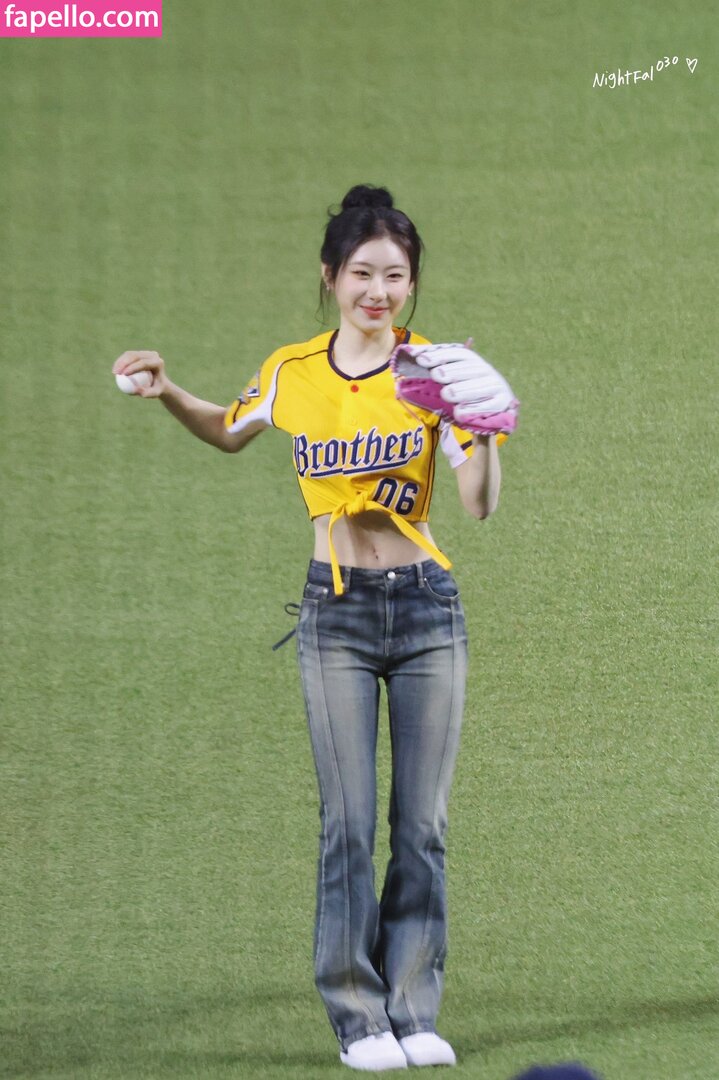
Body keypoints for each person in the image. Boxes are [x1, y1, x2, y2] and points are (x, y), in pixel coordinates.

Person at [112, 184, 513, 1071]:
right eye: (362, 273)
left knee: (422, 825)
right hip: (335, 615)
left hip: (428, 610)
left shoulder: (434, 372)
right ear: (329, 276)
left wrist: (482, 430)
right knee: (348, 825)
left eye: (395, 276)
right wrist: (167, 389)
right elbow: (229, 430)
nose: (379, 291)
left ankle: (414, 1009)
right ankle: (359, 1018)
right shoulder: (291, 370)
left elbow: (479, 505)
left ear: (412, 283)